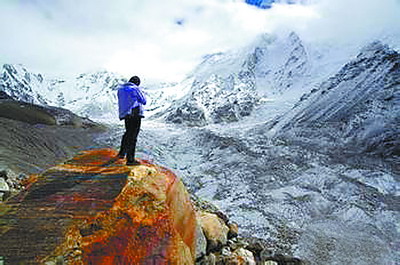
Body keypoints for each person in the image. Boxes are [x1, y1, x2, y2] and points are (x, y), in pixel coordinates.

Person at [117, 76, 147, 165]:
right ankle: (130, 159)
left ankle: (122, 153)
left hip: (125, 114)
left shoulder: (120, 90)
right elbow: (143, 100)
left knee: (127, 133)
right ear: (137, 83)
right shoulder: (135, 88)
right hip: (135, 114)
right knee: (133, 137)